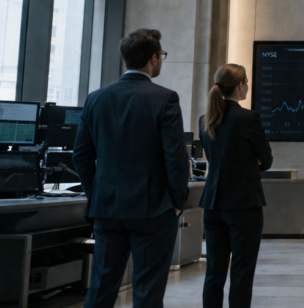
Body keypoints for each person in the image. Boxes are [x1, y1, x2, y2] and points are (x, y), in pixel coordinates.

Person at [73, 29, 190, 308]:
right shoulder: (165, 98)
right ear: (153, 58)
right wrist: (177, 202)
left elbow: (81, 156)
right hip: (152, 210)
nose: (160, 60)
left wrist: (97, 193)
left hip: (107, 209)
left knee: (100, 288)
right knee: (147, 291)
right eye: (160, 56)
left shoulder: (96, 98)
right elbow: (175, 157)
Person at [198, 64, 274, 308]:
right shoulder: (249, 118)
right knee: (242, 271)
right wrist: (257, 159)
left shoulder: (205, 119)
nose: (248, 86)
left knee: (214, 273)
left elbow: (215, 159)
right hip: (244, 204)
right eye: (247, 82)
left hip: (213, 203)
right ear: (240, 85)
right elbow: (267, 160)